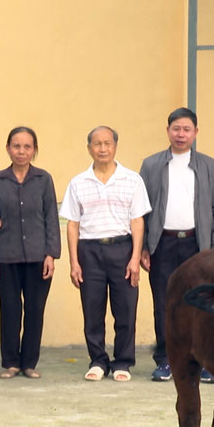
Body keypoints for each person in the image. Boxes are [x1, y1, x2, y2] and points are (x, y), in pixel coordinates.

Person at [139, 108, 214, 383]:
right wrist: (142, 247)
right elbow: (141, 210)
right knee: (164, 303)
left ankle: (203, 361)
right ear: (168, 131)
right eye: (176, 128)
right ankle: (165, 360)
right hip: (162, 244)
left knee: (202, 305)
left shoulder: (210, 166)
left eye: (186, 129)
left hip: (197, 245)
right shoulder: (151, 165)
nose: (181, 134)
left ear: (195, 133)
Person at [59, 126, 150, 382]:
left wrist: (134, 258)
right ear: (89, 148)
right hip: (90, 251)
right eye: (97, 144)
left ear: (115, 146)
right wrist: (74, 262)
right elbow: (73, 225)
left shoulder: (132, 180)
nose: (102, 149)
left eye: (107, 143)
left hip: (122, 248)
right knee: (92, 309)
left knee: (125, 310)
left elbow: (138, 222)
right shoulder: (78, 182)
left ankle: (123, 362)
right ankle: (98, 360)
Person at [0, 127, 60, 380]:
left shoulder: (43, 179)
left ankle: (29, 362)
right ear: (7, 148)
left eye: (27, 147)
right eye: (16, 146)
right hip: (7, 256)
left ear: (34, 150)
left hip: (38, 257)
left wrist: (51, 254)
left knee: (35, 310)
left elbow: (52, 218)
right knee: (10, 310)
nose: (22, 151)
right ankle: (11, 362)